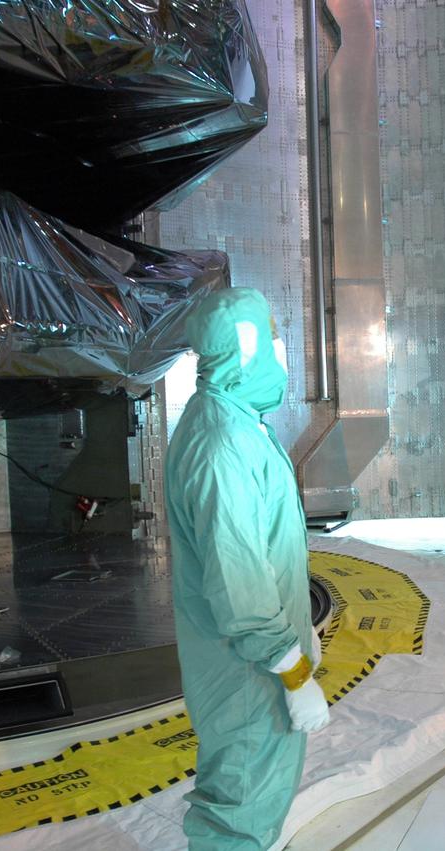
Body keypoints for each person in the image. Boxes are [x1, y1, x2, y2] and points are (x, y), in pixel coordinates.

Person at [165, 287, 330, 850]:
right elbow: (238, 580)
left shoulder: (235, 420)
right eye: (275, 336)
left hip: (256, 656)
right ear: (249, 346)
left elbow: (264, 553)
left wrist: (298, 626)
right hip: (246, 669)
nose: (282, 350)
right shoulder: (223, 444)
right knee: (238, 804)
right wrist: (290, 667)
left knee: (251, 793)